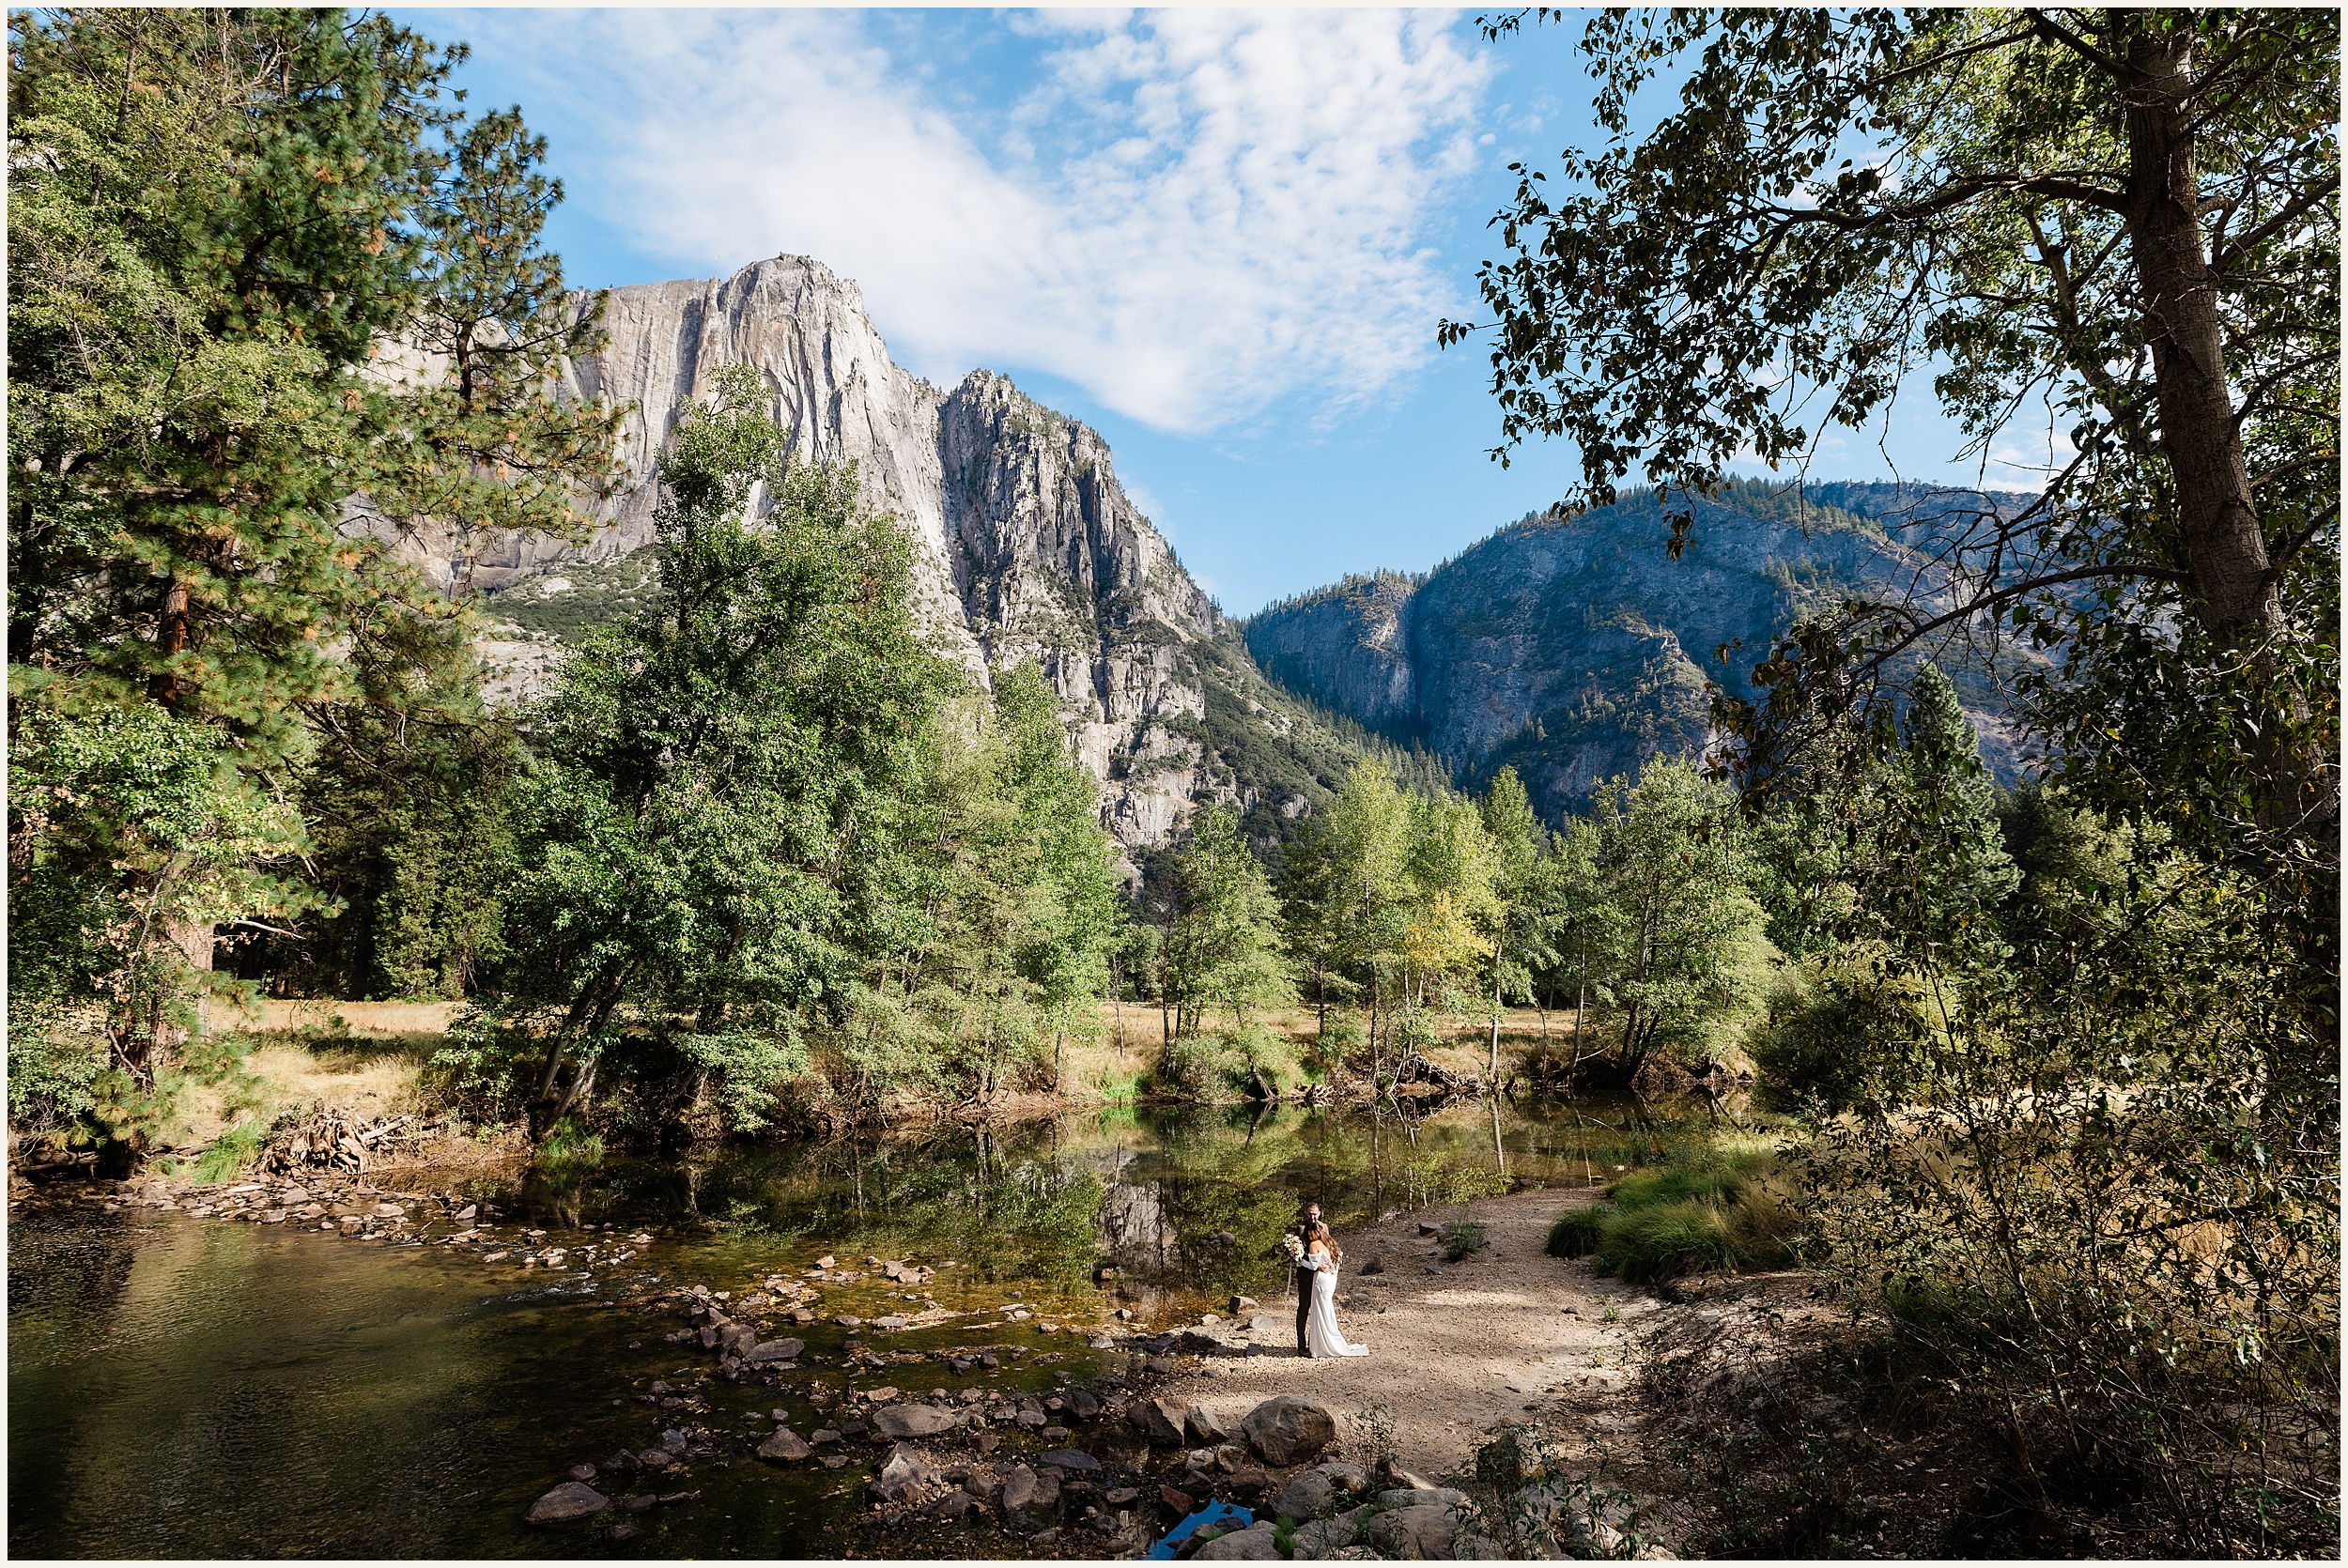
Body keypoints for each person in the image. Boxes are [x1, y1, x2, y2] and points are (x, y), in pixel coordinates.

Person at [1303, 1221, 1369, 1358]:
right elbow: (1338, 1262)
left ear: (1317, 1233)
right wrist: (1334, 1273)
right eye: (1309, 1235)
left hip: (1321, 1279)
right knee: (1326, 1309)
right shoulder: (1331, 1243)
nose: (1310, 1238)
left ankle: (1321, 1346)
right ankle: (1326, 1341)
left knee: (1320, 1310)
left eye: (1311, 1234)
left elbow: (1313, 1266)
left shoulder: (1314, 1245)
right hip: (1330, 1280)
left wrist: (1299, 1260)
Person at [1292, 1202, 1322, 1356]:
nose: (1312, 1217)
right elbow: (1298, 1251)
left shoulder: (1324, 1227)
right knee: (1304, 1308)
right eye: (1310, 1214)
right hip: (1305, 1274)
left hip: (1321, 1276)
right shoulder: (1301, 1229)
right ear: (1306, 1213)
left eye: (1315, 1214)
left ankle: (1316, 1343)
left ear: (1319, 1213)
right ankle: (1301, 1344)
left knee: (1319, 1309)